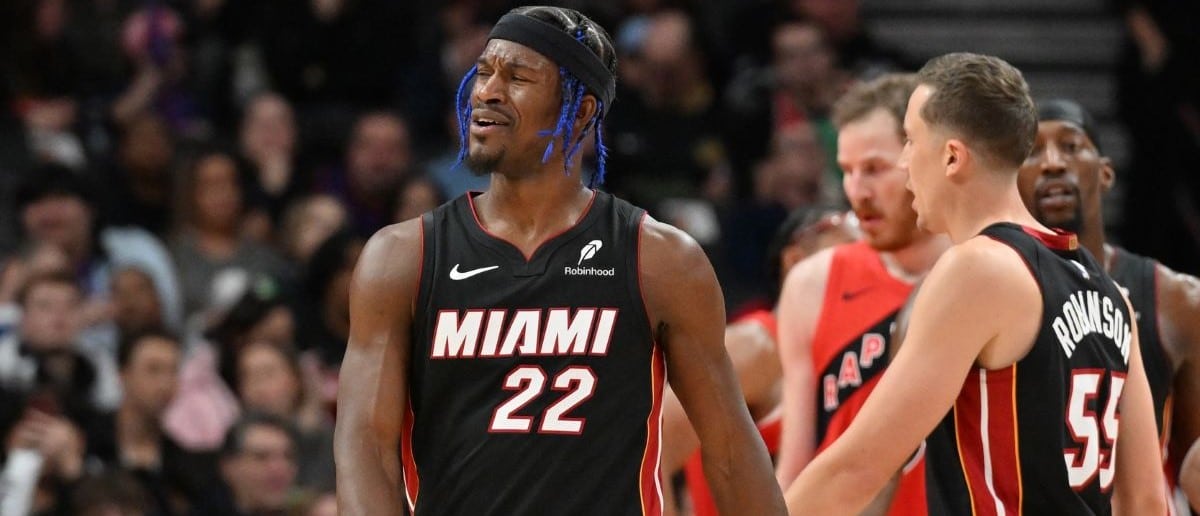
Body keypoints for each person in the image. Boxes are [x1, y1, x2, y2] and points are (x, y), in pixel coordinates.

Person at [334, 6, 784, 515]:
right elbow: (365, 445)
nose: (487, 92)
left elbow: (728, 448)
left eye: (518, 77)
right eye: (484, 72)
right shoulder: (402, 258)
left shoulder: (659, 259)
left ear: (584, 111)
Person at [784, 52, 1166, 515]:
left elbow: (858, 467)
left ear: (951, 156)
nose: (905, 162)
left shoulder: (978, 270)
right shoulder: (1110, 291)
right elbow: (1147, 499)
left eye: (910, 140)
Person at [774, 73, 949, 515]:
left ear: (921, 158)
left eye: (874, 168)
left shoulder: (984, 273)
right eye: (847, 171)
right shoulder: (812, 282)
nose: (857, 191)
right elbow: (797, 460)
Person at [1017, 98, 1200, 512]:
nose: (1051, 164)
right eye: (1032, 151)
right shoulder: (995, 293)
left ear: (1105, 173)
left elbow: (1194, 467)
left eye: (1070, 146)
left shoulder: (1175, 301)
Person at [660, 206, 858, 516]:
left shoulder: (845, 355)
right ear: (794, 261)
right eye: (847, 258)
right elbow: (654, 442)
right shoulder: (757, 343)